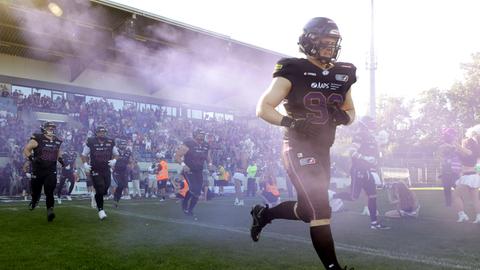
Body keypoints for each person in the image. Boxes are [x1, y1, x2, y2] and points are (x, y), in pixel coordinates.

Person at [253, 17, 356, 270]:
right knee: (321, 209)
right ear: (309, 41)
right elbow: (263, 108)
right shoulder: (293, 69)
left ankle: (264, 214)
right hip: (298, 146)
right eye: (325, 41)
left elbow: (351, 110)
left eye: (333, 42)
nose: (329, 47)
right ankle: (334, 268)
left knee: (308, 211)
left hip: (324, 149)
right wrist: (291, 123)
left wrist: (345, 117)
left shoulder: (343, 73)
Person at [333, 116, 390, 230]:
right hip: (358, 170)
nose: (373, 125)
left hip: (367, 171)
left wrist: (375, 158)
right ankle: (333, 195)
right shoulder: (360, 135)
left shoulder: (371, 137)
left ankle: (374, 223)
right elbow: (352, 151)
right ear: (365, 124)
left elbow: (374, 153)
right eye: (371, 123)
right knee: (354, 197)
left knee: (373, 196)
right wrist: (365, 158)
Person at [23, 122, 65, 222]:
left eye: (52, 127)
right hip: (38, 169)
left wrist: (61, 160)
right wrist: (31, 158)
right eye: (49, 127)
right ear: (44, 128)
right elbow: (26, 149)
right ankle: (34, 200)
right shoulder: (37, 138)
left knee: (49, 191)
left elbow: (58, 151)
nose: (51, 128)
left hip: (51, 170)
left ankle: (50, 210)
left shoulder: (57, 140)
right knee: (36, 190)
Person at [81, 125, 118, 220]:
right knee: (100, 188)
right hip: (95, 168)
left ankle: (95, 196)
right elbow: (84, 154)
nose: (102, 134)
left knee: (105, 188)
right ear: (96, 133)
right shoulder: (91, 141)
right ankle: (100, 210)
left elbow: (116, 154)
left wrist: (114, 160)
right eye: (100, 132)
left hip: (106, 168)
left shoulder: (110, 141)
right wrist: (85, 163)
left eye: (104, 132)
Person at [174, 128, 211, 217]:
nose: (201, 138)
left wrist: (210, 164)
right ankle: (184, 204)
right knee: (194, 189)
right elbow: (177, 156)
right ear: (194, 135)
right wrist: (183, 165)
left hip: (199, 170)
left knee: (197, 192)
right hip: (189, 170)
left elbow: (208, 157)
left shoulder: (206, 145)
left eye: (203, 136)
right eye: (199, 136)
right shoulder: (188, 143)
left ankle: (190, 209)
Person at [452, 124, 480, 223]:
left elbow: (460, 148)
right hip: (472, 176)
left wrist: (454, 141)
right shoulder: (474, 152)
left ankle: (462, 215)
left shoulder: (469, 151)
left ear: (468, 144)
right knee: (475, 199)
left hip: (468, 177)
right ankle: (478, 217)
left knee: (455, 195)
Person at [437, 128, 462, 207]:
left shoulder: (457, 146)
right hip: (446, 170)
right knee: (447, 188)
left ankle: (460, 203)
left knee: (457, 188)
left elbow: (461, 155)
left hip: (455, 170)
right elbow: (441, 156)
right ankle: (448, 204)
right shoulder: (443, 146)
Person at [113, 139, 132, 208]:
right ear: (119, 145)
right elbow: (111, 160)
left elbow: (130, 161)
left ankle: (117, 201)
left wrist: (130, 167)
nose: (123, 146)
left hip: (124, 172)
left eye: (124, 144)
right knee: (120, 185)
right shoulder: (115, 151)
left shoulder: (128, 152)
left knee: (122, 187)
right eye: (122, 144)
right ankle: (115, 198)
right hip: (116, 172)